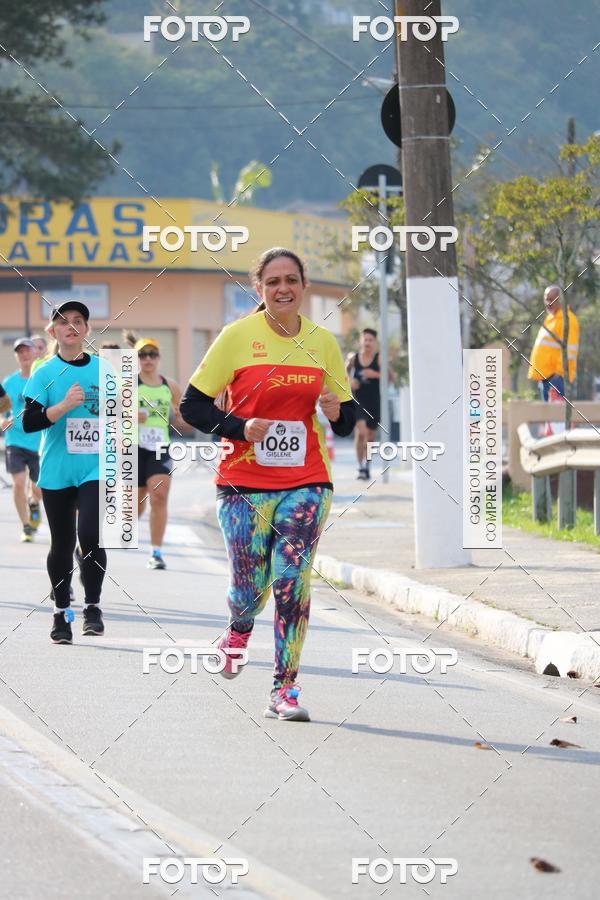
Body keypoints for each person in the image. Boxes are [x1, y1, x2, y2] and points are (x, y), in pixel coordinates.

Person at [180, 247, 356, 722]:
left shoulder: (323, 343)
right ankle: (238, 630)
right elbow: (191, 407)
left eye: (292, 280)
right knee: (249, 587)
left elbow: (346, 416)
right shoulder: (236, 338)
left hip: (307, 480)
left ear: (304, 287)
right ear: (259, 288)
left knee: (291, 580)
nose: (283, 288)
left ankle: (285, 688)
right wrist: (240, 427)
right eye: (273, 281)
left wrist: (339, 413)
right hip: (242, 482)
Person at [23, 301, 107, 644]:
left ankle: (92, 606)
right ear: (53, 331)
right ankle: (61, 614)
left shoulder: (105, 370)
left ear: (86, 329)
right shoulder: (44, 372)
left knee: (89, 534)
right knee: (62, 543)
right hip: (58, 468)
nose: (71, 326)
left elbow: (120, 417)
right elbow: (29, 422)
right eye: (63, 322)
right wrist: (63, 407)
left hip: (95, 466)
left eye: (78, 321)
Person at [135, 337, 190, 570]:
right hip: (132, 449)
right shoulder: (127, 385)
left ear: (159, 358)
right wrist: (127, 416)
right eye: (143, 355)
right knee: (134, 505)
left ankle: (156, 552)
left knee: (159, 496)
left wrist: (181, 417)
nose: (148, 359)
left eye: (152, 354)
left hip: (160, 447)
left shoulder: (170, 385)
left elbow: (183, 416)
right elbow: (108, 416)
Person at [2, 338, 42, 541]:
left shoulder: (43, 379)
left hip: (39, 442)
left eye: (28, 350)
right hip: (15, 440)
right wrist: (3, 420)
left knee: (38, 488)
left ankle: (34, 502)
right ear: (16, 356)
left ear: (36, 353)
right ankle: (26, 526)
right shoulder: (9, 382)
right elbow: (2, 408)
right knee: (18, 483)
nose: (24, 354)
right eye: (20, 352)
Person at [346, 328, 393, 480]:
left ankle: (367, 466)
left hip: (374, 402)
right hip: (357, 401)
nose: (367, 343)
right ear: (361, 341)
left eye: (370, 340)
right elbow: (342, 374)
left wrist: (376, 374)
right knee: (361, 432)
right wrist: (350, 382)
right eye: (365, 339)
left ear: (375, 343)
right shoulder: (353, 358)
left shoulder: (379, 359)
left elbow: (391, 379)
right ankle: (360, 466)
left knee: (371, 436)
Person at [528, 285, 580, 401]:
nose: (548, 303)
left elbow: (570, 351)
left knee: (557, 417)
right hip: (547, 378)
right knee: (550, 418)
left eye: (551, 299)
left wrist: (559, 374)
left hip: (557, 379)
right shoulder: (551, 319)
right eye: (546, 299)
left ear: (560, 300)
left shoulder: (568, 320)